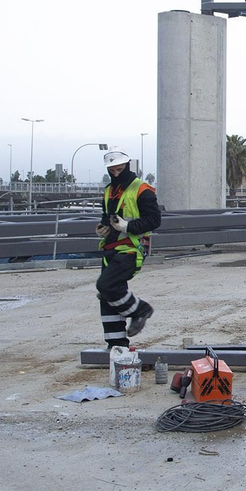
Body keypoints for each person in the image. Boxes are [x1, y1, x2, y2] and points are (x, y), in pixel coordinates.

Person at [95, 149, 161, 349]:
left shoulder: (142, 190)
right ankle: (116, 344)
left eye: (119, 169)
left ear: (127, 167)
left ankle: (140, 310)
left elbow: (155, 220)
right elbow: (108, 216)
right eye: (112, 170)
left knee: (106, 285)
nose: (116, 174)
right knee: (107, 295)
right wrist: (103, 227)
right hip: (111, 247)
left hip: (132, 248)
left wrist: (128, 226)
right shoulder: (108, 190)